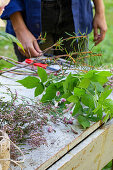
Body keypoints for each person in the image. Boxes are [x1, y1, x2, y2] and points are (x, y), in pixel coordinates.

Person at [0, 0, 107, 62]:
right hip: (32, 17)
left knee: (77, 81)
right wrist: (20, 29)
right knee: (37, 84)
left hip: (76, 15)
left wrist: (100, 10)